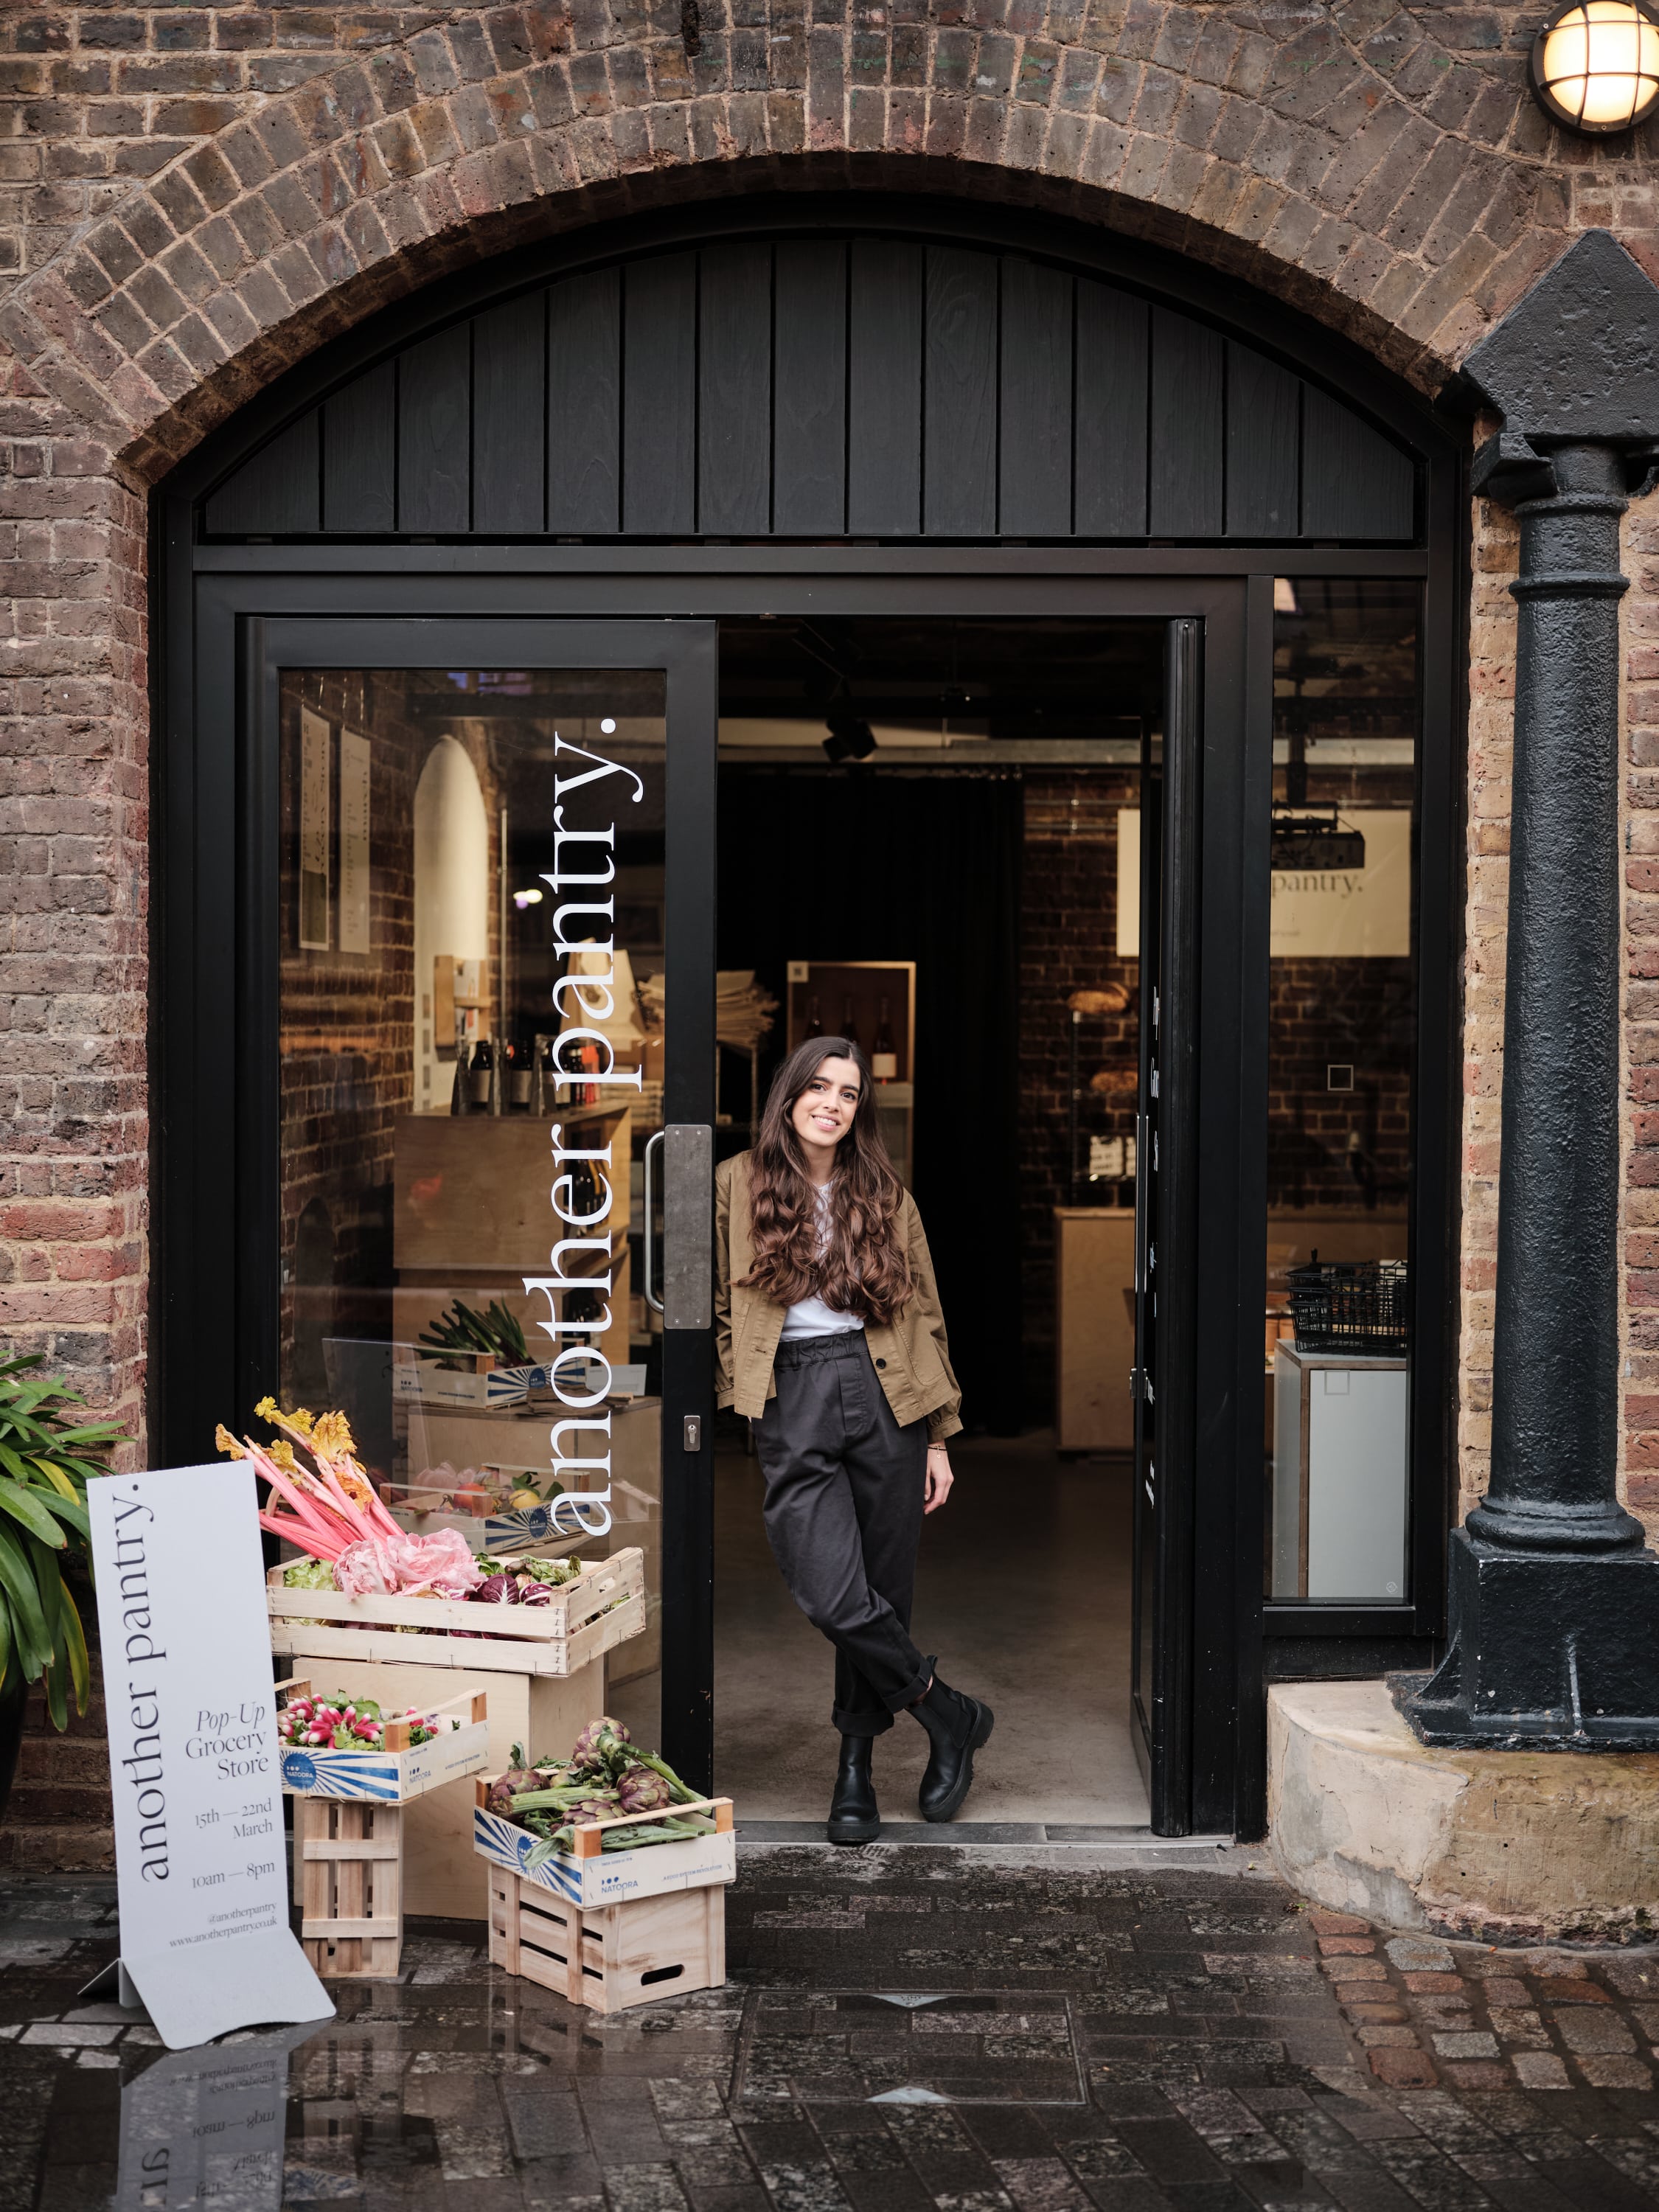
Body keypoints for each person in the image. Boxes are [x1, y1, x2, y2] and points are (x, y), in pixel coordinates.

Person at [714, 1035, 993, 1843]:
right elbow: (717, 1305)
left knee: (882, 1589)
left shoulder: (885, 1193)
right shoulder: (737, 1181)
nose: (832, 1104)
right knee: (833, 1593)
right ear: (790, 1094)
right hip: (792, 1390)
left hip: (885, 1392)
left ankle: (855, 1772)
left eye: (848, 1093)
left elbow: (925, 1314)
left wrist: (938, 1438)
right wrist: (742, 1384)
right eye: (819, 1087)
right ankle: (947, 1712)